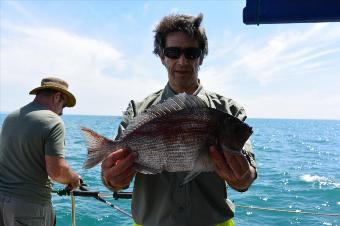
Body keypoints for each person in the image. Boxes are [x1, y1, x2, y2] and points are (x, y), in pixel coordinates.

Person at [101, 13, 257, 226]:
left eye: (191, 53)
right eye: (173, 52)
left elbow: (247, 174)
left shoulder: (229, 112)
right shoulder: (138, 111)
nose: (182, 61)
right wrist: (111, 179)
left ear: (201, 57)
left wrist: (243, 177)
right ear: (162, 56)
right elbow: (113, 178)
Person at [0, 77, 81, 226]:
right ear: (57, 96)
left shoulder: (11, 117)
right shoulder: (53, 121)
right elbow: (56, 171)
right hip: (30, 207)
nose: (62, 111)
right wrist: (73, 179)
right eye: (64, 105)